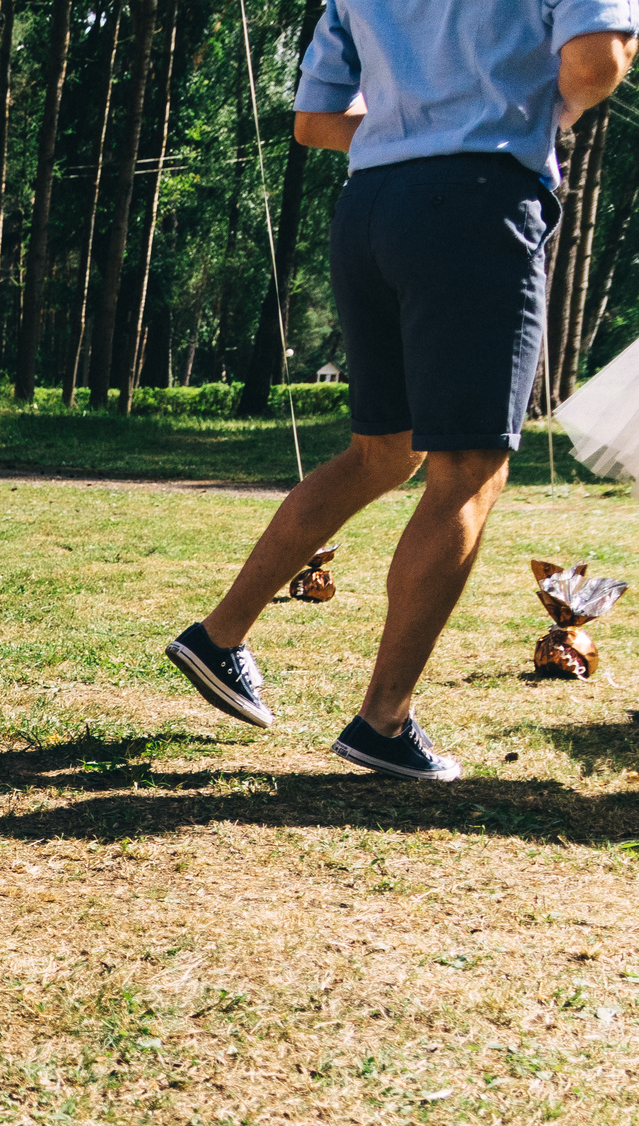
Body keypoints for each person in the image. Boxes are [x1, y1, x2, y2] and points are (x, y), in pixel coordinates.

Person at [163, 0, 635, 780]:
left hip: (371, 207)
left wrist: (408, 131)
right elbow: (593, 64)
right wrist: (542, 114)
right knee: (469, 470)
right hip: (478, 205)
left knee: (380, 454)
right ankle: (383, 721)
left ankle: (220, 634)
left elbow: (315, 119)